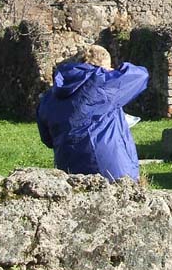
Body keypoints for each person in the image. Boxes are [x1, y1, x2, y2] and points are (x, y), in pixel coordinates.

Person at [36, 45, 149, 181]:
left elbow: (47, 139)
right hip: (111, 169)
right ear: (103, 66)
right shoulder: (101, 82)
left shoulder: (49, 98)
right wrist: (110, 72)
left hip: (69, 171)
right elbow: (140, 75)